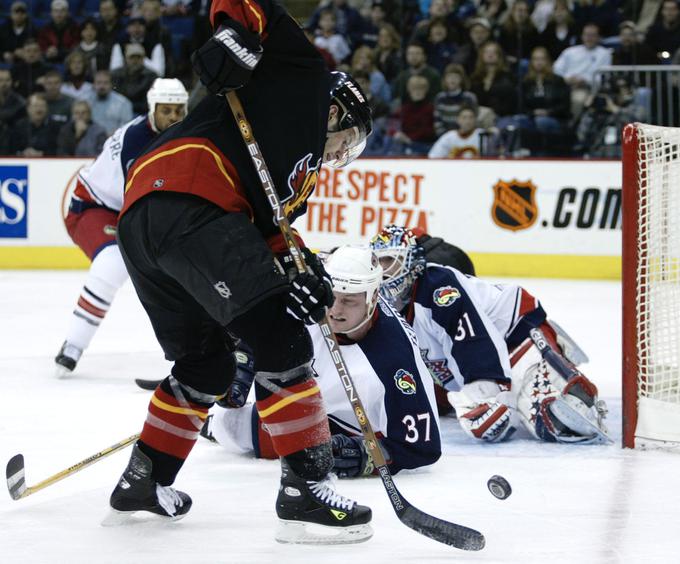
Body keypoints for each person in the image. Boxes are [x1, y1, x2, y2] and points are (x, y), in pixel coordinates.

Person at [103, 0, 374, 545]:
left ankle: (144, 478)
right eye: (351, 139)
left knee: (207, 365)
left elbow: (268, 230)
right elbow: (252, 8)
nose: (344, 153)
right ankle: (306, 489)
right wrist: (233, 36)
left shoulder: (297, 177)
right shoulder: (303, 78)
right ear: (339, 112)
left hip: (147, 218)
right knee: (283, 342)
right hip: (192, 198)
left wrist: (308, 271)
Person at [204, 246, 441, 478]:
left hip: (352, 424)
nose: (335, 310)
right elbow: (256, 315)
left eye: (349, 301)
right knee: (230, 425)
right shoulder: (312, 298)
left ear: (373, 298)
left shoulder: (395, 359)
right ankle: (206, 417)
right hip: (308, 389)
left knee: (261, 434)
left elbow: (423, 447)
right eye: (333, 296)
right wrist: (242, 356)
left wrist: (370, 455)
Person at [369, 225, 612, 446]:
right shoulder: (379, 303)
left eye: (390, 260)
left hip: (514, 335)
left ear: (411, 262)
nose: (383, 271)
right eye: (378, 263)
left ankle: (549, 364)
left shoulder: (438, 287)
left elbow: (471, 337)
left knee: (554, 417)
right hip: (456, 365)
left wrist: (488, 391)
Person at [54, 79, 188, 375]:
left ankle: (191, 356)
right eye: (166, 111)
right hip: (92, 207)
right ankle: (73, 345)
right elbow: (142, 204)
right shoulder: (136, 140)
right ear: (153, 109)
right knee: (113, 264)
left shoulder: (183, 132)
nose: (173, 118)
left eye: (179, 111)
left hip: (130, 209)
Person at [87, 69, 133, 135]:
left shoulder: (123, 103)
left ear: (111, 84)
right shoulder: (86, 101)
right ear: (93, 84)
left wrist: (116, 134)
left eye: (105, 83)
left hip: (114, 139)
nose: (102, 86)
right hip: (91, 139)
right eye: (99, 83)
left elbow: (127, 127)